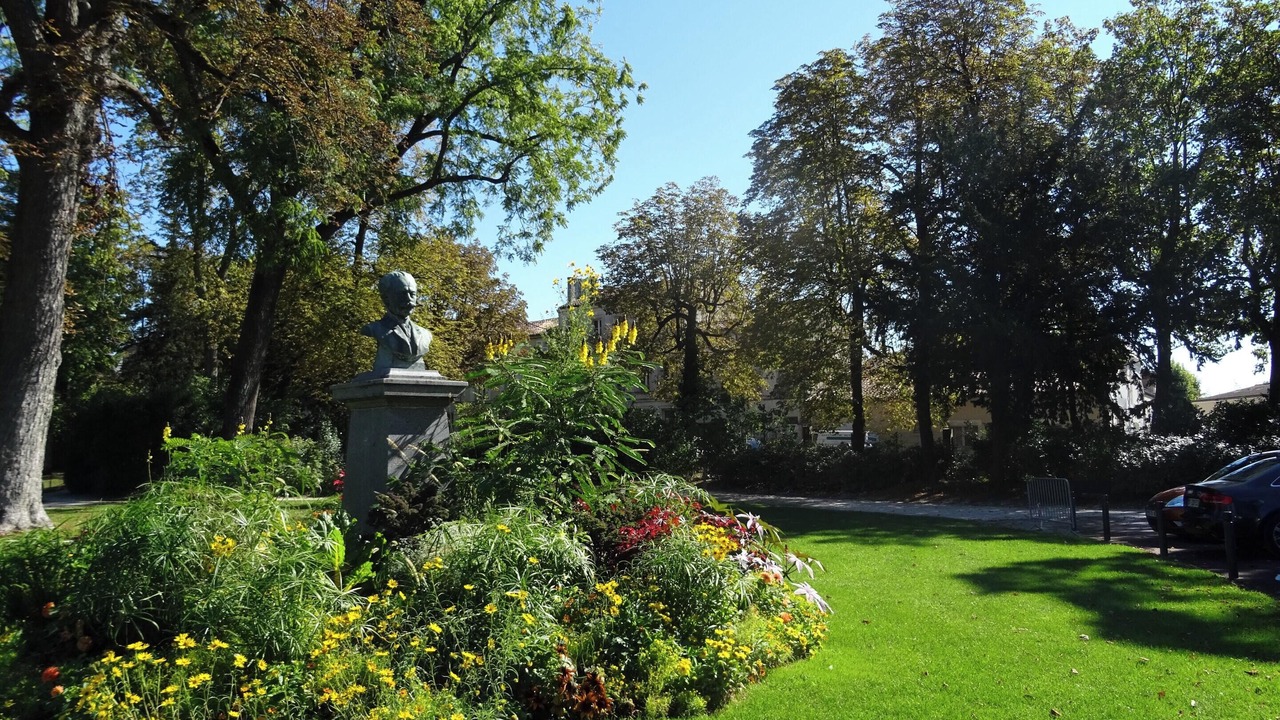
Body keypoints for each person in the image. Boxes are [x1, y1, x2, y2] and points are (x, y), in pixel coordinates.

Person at [361, 270, 432, 371]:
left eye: (412, 294)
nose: (409, 299)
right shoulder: (376, 329)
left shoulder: (425, 334)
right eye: (402, 294)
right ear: (386, 298)